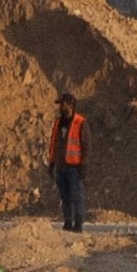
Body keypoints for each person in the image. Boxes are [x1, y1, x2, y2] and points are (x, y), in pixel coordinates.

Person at [52, 92, 89, 233]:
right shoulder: (58, 122)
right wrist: (52, 163)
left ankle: (78, 224)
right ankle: (68, 223)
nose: (60, 107)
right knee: (65, 197)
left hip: (75, 167)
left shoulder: (80, 123)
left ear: (70, 105)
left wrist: (83, 165)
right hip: (61, 166)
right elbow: (54, 144)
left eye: (63, 104)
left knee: (77, 196)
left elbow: (86, 146)